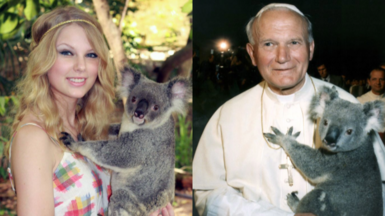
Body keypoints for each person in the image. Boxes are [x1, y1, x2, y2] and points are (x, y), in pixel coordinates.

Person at [193, 3, 385, 216]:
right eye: (268, 44)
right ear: (252, 53)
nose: (282, 57)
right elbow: (207, 193)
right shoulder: (226, 116)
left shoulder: (351, 109)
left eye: (294, 42)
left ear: (310, 49)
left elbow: (379, 189)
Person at [4, 6, 174, 216]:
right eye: (67, 52)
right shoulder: (34, 138)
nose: (81, 66)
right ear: (44, 60)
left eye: (91, 55)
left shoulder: (85, 126)